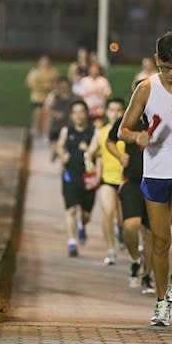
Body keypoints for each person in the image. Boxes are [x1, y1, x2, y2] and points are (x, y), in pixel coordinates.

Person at [119, 31, 172, 327]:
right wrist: (138, 135)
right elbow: (122, 130)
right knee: (159, 241)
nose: (171, 74)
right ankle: (162, 302)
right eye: (166, 67)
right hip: (155, 169)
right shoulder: (145, 88)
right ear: (157, 61)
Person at [107, 94, 155, 294]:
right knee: (130, 226)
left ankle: (147, 276)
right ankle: (136, 258)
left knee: (152, 235)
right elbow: (111, 140)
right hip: (132, 181)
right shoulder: (128, 119)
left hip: (156, 181)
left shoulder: (162, 117)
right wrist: (120, 156)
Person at [84, 98, 126, 265]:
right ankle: (110, 249)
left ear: (123, 112)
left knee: (124, 218)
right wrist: (89, 162)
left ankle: (122, 234)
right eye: (112, 110)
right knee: (108, 212)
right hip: (107, 180)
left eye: (118, 110)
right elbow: (90, 152)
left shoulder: (127, 132)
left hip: (125, 180)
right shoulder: (101, 132)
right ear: (106, 112)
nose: (115, 113)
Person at [56, 100, 97, 257]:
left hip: (88, 178)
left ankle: (82, 225)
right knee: (71, 209)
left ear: (87, 114)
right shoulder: (67, 131)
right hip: (70, 175)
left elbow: (97, 151)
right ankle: (71, 242)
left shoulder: (94, 132)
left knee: (86, 214)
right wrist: (62, 154)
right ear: (71, 115)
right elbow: (59, 146)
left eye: (82, 112)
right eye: (75, 112)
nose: (79, 115)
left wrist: (89, 152)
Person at [26, 55, 60, 139]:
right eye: (43, 61)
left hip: (49, 98)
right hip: (37, 97)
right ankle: (37, 131)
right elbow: (30, 84)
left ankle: (46, 133)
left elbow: (58, 83)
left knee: (47, 115)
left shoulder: (54, 72)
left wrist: (50, 86)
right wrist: (43, 86)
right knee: (38, 114)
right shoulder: (34, 72)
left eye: (46, 61)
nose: (45, 63)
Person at [44, 76, 78, 160]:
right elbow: (47, 108)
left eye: (65, 86)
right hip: (56, 125)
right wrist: (55, 114)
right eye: (62, 86)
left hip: (68, 125)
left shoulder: (74, 97)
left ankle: (60, 157)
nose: (64, 89)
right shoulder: (53, 96)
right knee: (55, 142)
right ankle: (56, 151)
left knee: (65, 146)